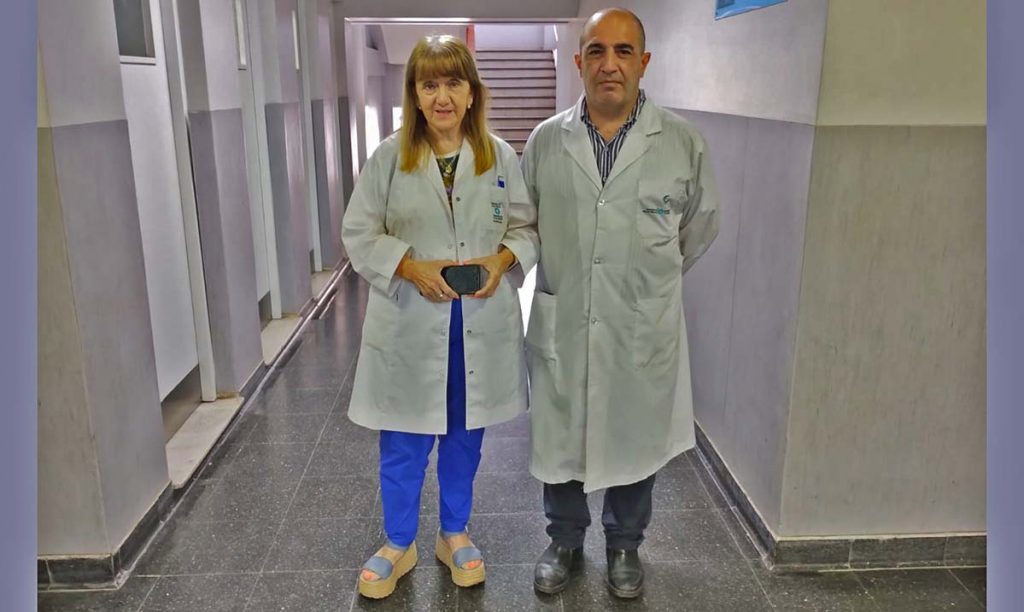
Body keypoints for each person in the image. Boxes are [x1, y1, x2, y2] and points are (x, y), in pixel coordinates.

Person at [521, 8, 720, 599]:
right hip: (566, 318)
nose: (610, 64)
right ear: (578, 61)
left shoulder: (681, 143)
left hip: (640, 322)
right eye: (597, 51)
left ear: (644, 62)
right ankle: (564, 540)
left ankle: (625, 545)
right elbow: (525, 222)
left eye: (624, 51)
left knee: (636, 437)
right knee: (563, 438)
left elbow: (699, 227)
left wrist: (644, 284)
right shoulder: (546, 140)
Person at [341, 34, 538, 599]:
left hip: (476, 325)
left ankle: (454, 533)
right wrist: (408, 266)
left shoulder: (499, 156)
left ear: (473, 92)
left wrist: (503, 261)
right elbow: (358, 232)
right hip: (410, 322)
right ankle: (397, 542)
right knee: (403, 439)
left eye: (454, 82)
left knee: (463, 437)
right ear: (415, 94)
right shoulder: (389, 157)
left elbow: (525, 228)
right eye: (429, 85)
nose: (442, 96)